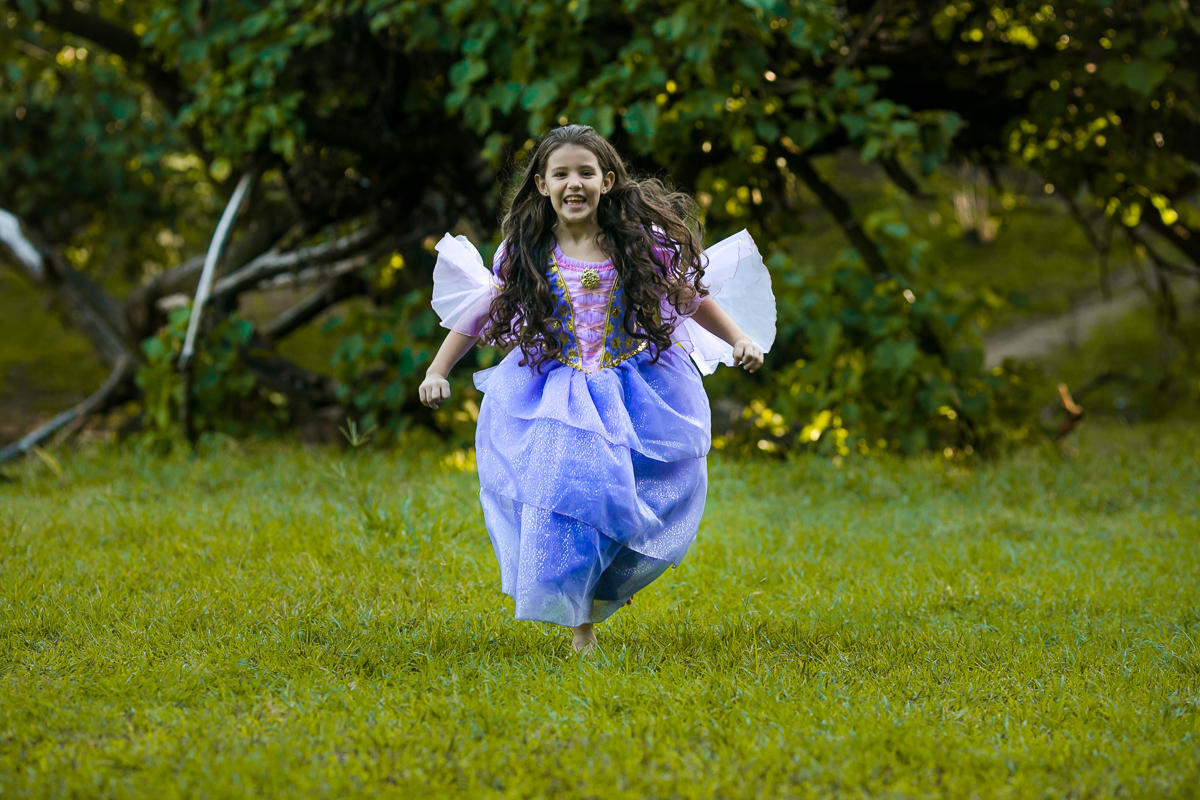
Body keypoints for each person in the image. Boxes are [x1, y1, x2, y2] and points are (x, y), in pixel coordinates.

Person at [418, 124, 775, 654]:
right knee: (569, 491)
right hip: (557, 391)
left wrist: (740, 337)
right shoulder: (527, 251)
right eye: (560, 173)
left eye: (586, 172)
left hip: (635, 385)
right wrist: (437, 370)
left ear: (607, 181)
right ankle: (581, 626)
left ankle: (611, 567)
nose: (574, 183)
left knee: (636, 492)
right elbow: (481, 312)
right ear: (542, 185)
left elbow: (688, 296)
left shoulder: (638, 245)